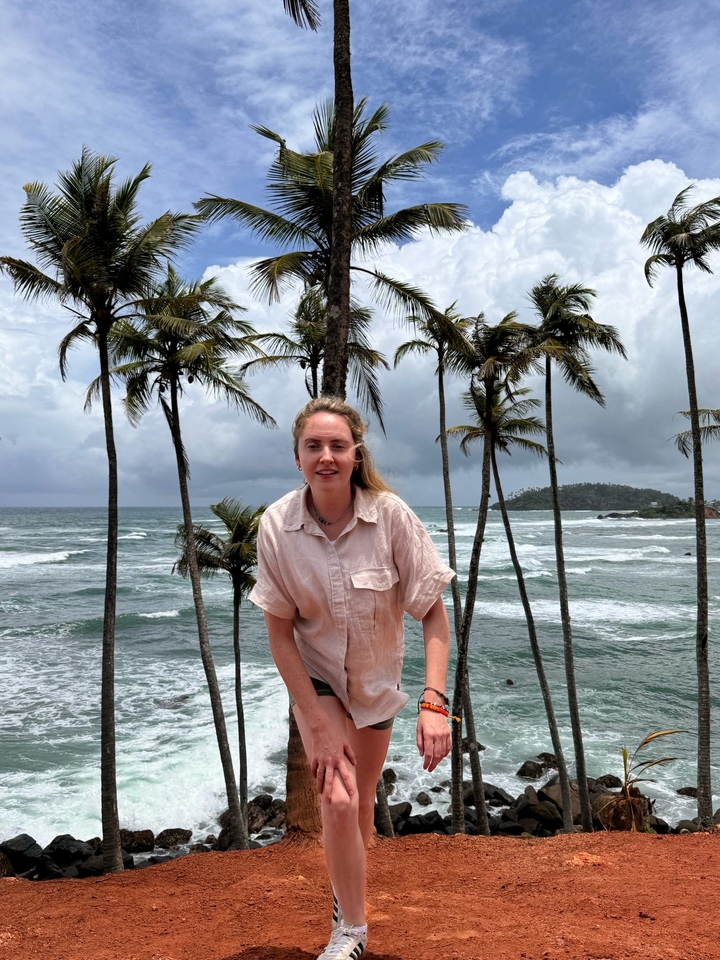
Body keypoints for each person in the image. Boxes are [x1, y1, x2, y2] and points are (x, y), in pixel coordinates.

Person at [249, 397, 455, 960]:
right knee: (337, 799)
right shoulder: (276, 527)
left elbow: (433, 614)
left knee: (360, 806)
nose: (326, 456)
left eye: (337, 445)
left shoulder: (390, 517)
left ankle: (345, 898)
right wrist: (314, 722)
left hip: (376, 684)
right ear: (297, 457)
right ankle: (351, 934)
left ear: (355, 453)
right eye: (313, 446)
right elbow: (279, 632)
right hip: (317, 679)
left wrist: (434, 701)